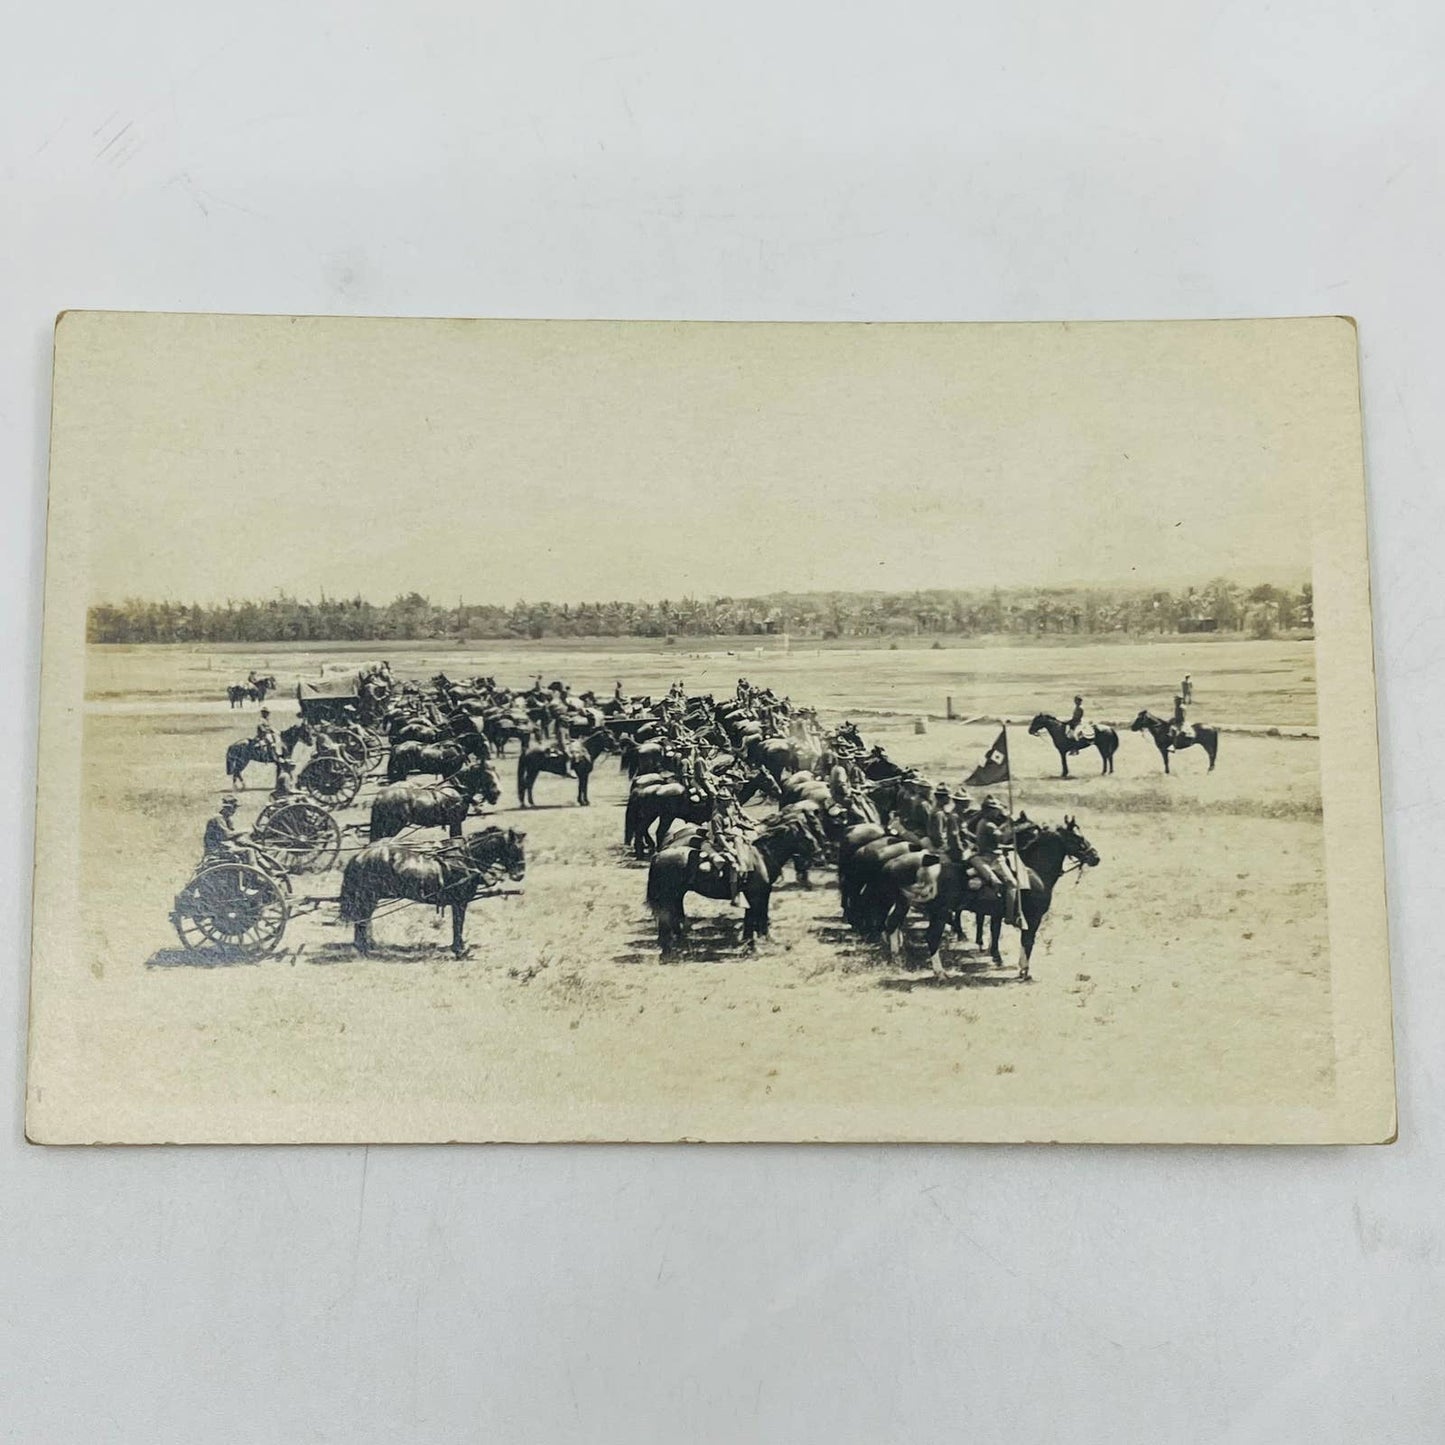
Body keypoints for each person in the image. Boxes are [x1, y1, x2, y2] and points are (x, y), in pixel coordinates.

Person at [971, 795, 1020, 925]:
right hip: (992, 858)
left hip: (983, 855)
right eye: (996, 810)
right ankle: (1010, 916)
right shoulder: (989, 825)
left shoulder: (983, 822)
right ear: (989, 811)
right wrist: (1011, 825)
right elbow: (1003, 838)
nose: (998, 812)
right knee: (1012, 884)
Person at [927, 784, 964, 861]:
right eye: (948, 797)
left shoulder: (937, 809)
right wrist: (946, 847)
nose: (950, 799)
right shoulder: (939, 814)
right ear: (943, 798)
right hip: (940, 846)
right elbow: (938, 834)